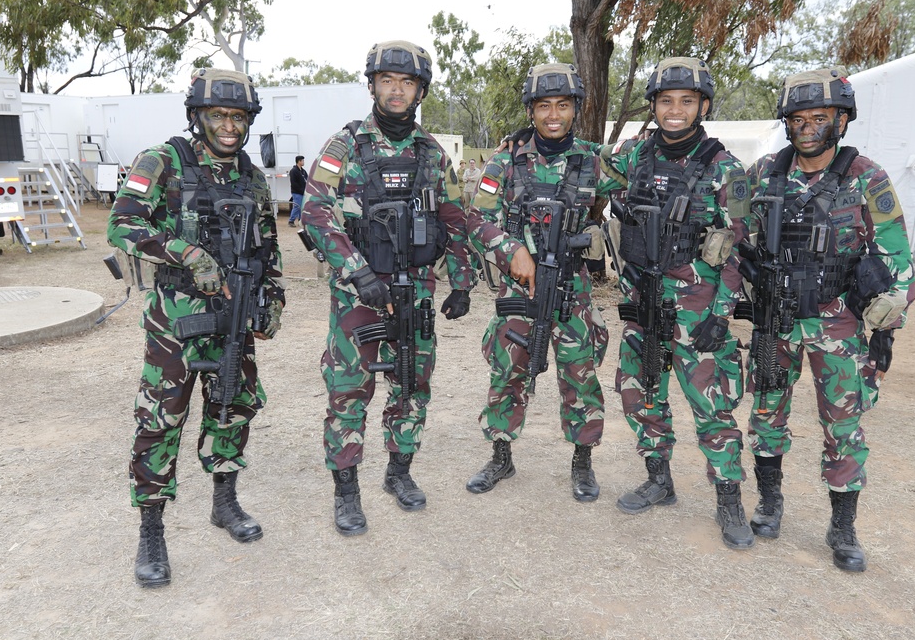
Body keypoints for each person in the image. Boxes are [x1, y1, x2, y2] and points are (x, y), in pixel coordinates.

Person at [107, 68, 285, 587]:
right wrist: (186, 252)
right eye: (218, 115)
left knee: (232, 408)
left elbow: (267, 246)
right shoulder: (162, 161)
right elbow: (124, 223)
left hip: (236, 316)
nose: (229, 126)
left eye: (238, 117)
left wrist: (273, 300)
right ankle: (151, 529)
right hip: (176, 324)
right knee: (161, 420)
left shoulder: (251, 175)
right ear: (196, 116)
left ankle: (224, 503)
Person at [742, 68, 915, 571]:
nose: (808, 127)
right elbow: (731, 231)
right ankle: (769, 503)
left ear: (841, 119)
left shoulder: (867, 177)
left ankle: (843, 527)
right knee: (766, 412)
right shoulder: (763, 174)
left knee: (843, 425)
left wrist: (885, 333)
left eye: (820, 118)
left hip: (835, 320)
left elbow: (897, 259)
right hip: (776, 314)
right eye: (798, 119)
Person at [301, 41, 474, 536]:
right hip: (360, 293)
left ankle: (399, 473)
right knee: (349, 389)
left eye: (407, 83)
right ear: (373, 85)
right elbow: (314, 212)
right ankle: (347, 491)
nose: (396, 91)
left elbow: (455, 220)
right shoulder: (347, 144)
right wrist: (357, 271)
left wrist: (461, 283)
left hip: (416, 291)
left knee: (412, 383)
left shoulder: (431, 154)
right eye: (387, 81)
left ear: (420, 91)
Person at [601, 58, 754, 548]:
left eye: (686, 101)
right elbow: (586, 168)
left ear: (703, 106)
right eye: (666, 101)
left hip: (698, 306)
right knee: (640, 388)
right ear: (654, 106)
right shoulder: (633, 156)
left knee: (711, 404)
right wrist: (523, 141)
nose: (675, 110)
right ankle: (658, 478)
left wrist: (722, 312)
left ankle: (729, 500)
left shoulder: (723, 168)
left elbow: (740, 246)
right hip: (642, 296)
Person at [465, 63, 612, 502]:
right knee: (507, 373)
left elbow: (647, 168)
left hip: (572, 291)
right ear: (531, 111)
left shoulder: (594, 160)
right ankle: (501, 455)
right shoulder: (506, 160)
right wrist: (513, 251)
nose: (553, 115)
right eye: (543, 106)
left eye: (562, 106)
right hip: (520, 291)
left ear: (575, 110)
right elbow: (476, 218)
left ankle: (582, 461)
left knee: (579, 377)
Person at [288, 155, 307, 227]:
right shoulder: (293, 171)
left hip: (302, 192)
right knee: (297, 206)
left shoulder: (303, 171)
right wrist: (301, 190)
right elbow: (294, 183)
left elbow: (306, 180)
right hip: (297, 192)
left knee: (301, 207)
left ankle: (300, 220)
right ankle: (291, 220)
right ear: (299, 161)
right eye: (302, 160)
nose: (303, 162)